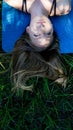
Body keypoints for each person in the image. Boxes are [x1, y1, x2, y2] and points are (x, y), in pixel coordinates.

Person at [2, 0, 72, 53]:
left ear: (28, 30)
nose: (41, 29)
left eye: (36, 35)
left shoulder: (13, 1)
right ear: (52, 28)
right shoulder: (63, 6)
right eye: (48, 33)